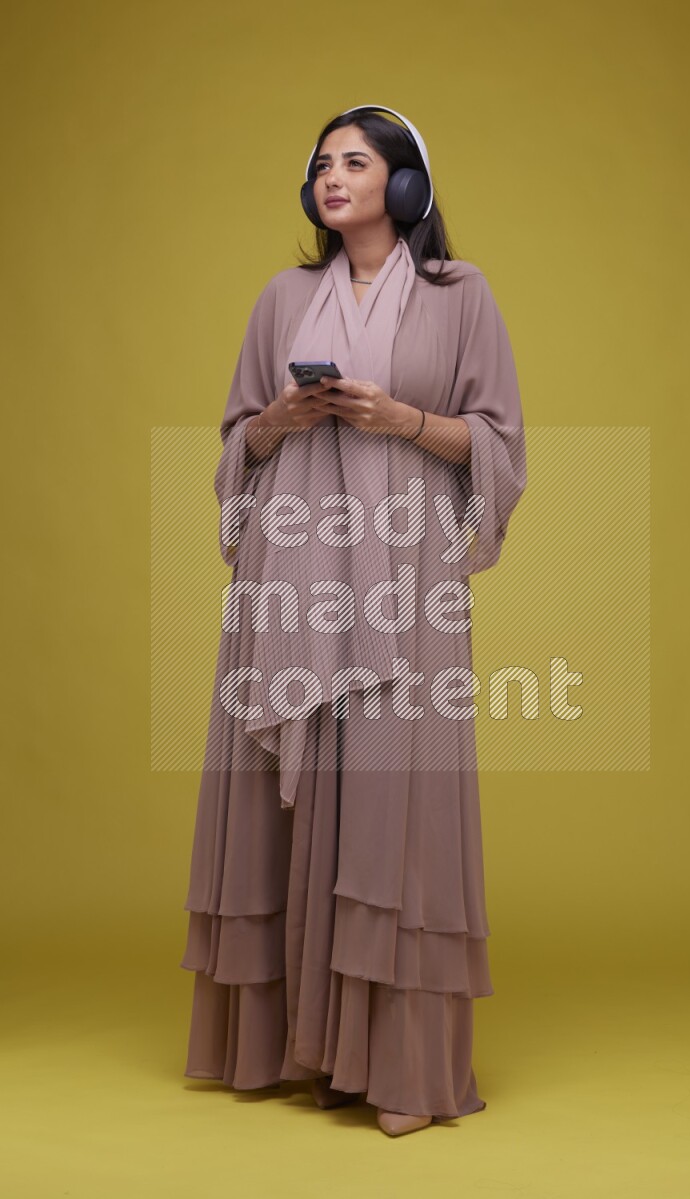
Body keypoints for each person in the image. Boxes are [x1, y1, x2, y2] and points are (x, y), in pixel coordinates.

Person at [179, 105, 527, 1137]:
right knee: (277, 803)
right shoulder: (281, 298)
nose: (332, 177)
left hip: (403, 578)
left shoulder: (460, 298)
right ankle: (297, 1049)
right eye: (321, 164)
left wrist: (402, 420)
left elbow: (499, 439)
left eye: (355, 161)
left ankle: (388, 1060)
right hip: (289, 574)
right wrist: (276, 421)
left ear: (406, 184)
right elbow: (236, 440)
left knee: (391, 803)